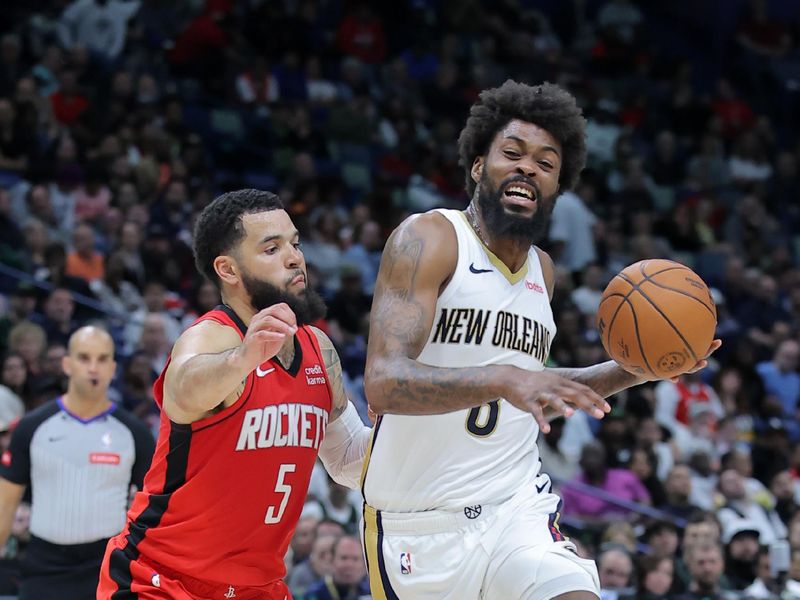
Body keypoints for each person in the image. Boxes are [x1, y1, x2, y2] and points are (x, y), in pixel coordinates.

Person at [362, 80, 721, 599]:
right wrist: (503, 379)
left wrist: (648, 367)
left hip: (515, 508)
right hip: (418, 523)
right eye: (512, 153)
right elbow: (383, 384)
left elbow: (535, 391)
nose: (528, 167)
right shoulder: (431, 238)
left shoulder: (542, 273)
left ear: (556, 186)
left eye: (546, 163)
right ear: (479, 166)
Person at [97, 189, 372, 600]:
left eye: (295, 243)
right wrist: (242, 359)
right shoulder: (211, 336)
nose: (295, 257)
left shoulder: (318, 347)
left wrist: (410, 423)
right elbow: (182, 391)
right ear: (227, 269)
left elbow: (348, 463)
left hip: (257, 587)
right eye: (272, 248)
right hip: (162, 579)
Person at [0, 326, 154, 599]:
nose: (93, 367)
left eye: (102, 358)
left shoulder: (134, 434)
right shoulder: (31, 427)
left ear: (113, 368)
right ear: (67, 364)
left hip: (107, 568)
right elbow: (5, 506)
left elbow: (155, 511)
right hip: (43, 569)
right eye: (84, 358)